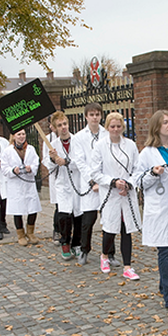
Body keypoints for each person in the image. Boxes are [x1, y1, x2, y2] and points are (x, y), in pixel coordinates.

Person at [134, 110, 168, 310]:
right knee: (165, 249)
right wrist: (154, 173)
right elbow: (138, 181)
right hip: (160, 208)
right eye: (165, 122)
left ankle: (164, 285)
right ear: (157, 127)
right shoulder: (147, 152)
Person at [91, 112, 141, 280]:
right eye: (112, 126)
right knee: (110, 229)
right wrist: (112, 182)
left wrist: (128, 183)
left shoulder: (131, 145)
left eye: (118, 126)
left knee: (127, 229)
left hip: (126, 194)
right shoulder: (100, 146)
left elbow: (137, 169)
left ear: (123, 127)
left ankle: (128, 266)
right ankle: (104, 255)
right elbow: (95, 172)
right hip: (110, 194)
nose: (115, 129)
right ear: (107, 128)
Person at [70, 103, 111, 266]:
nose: (95, 117)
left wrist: (102, 181)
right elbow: (80, 161)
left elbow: (108, 159)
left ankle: (109, 253)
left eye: (97, 114)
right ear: (86, 116)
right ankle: (84, 250)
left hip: (105, 183)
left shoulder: (107, 134)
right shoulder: (79, 137)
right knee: (88, 221)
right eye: (92, 114)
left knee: (109, 220)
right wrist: (92, 180)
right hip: (89, 185)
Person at [46, 111, 83, 260]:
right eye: (60, 125)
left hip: (77, 183)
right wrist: (53, 159)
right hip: (62, 184)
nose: (63, 127)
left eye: (65, 124)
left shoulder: (77, 141)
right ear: (54, 128)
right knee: (64, 215)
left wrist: (67, 162)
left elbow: (81, 160)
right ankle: (65, 242)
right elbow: (47, 165)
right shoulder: (52, 145)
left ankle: (77, 244)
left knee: (78, 215)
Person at [1, 129, 42, 246]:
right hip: (16, 185)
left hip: (28, 183)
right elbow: (4, 168)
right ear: (14, 136)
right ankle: (20, 234)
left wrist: (31, 168)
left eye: (23, 134)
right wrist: (12, 170)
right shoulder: (8, 151)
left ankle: (30, 232)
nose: (21, 136)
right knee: (17, 210)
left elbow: (36, 162)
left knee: (33, 208)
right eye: (19, 134)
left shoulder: (31, 149)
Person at [43, 117, 60, 244]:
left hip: (69, 176)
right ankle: (57, 230)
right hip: (56, 175)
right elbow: (44, 159)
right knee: (59, 206)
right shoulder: (47, 140)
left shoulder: (71, 137)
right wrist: (52, 160)